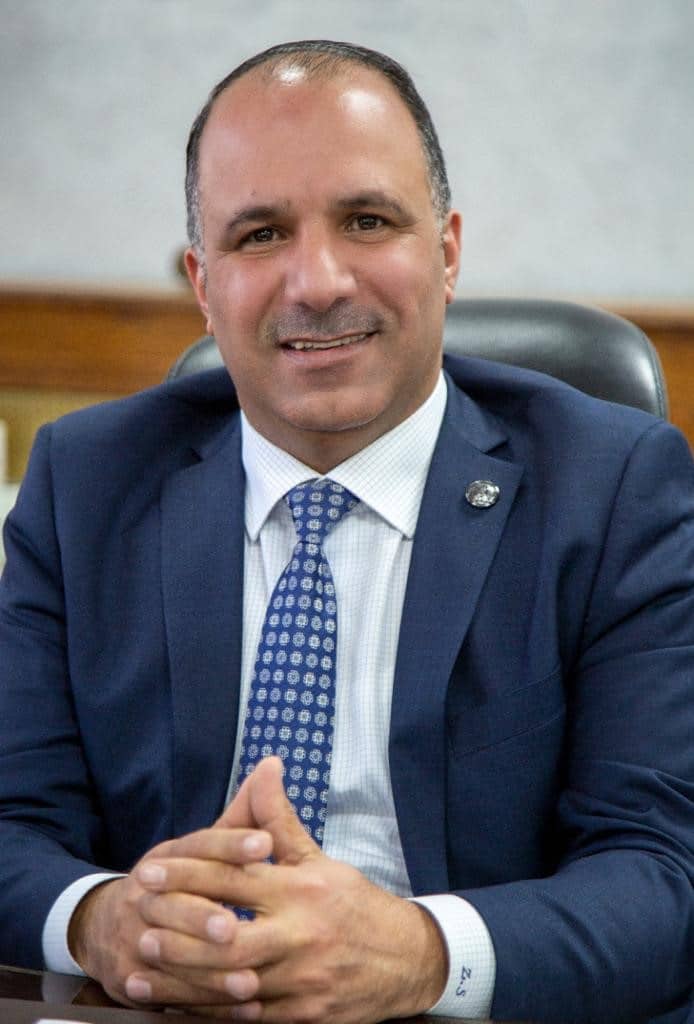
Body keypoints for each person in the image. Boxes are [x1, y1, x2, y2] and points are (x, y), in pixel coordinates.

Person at [0, 39, 692, 1024]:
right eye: (259, 234)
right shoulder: (86, 483)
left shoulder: (613, 487)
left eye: (367, 220)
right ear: (204, 284)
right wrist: (102, 919)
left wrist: (418, 953)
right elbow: (12, 820)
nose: (316, 282)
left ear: (445, 252)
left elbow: (662, 870)